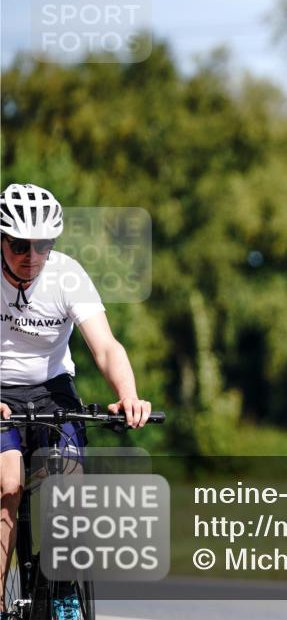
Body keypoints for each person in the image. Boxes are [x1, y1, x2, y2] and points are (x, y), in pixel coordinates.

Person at [0, 184, 152, 620]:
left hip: (52, 388)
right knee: (8, 482)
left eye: (42, 245)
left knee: (69, 485)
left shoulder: (67, 275)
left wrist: (128, 395)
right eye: (19, 245)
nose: (31, 255)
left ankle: (59, 586)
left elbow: (105, 347)